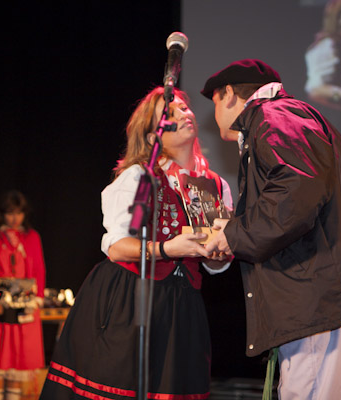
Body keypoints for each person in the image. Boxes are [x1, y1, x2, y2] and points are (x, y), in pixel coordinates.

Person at [201, 59, 341, 400]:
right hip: (333, 301)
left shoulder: (275, 115)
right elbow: (298, 194)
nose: (214, 116)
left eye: (214, 102)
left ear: (228, 94)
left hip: (324, 303)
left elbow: (296, 192)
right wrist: (236, 228)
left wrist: (233, 236)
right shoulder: (285, 117)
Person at [40, 86, 233, 399]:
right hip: (129, 296)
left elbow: (214, 262)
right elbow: (117, 246)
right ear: (153, 136)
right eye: (169, 114)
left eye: (184, 108)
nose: (183, 114)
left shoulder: (212, 185)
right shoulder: (139, 177)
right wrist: (167, 249)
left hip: (181, 304)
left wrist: (219, 252)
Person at [0, 190, 46, 400]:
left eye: (19, 213)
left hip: (24, 306)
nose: (15, 218)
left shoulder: (32, 237)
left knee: (18, 359)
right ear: (2, 214)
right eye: (10, 213)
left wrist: (36, 298)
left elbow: (39, 269)